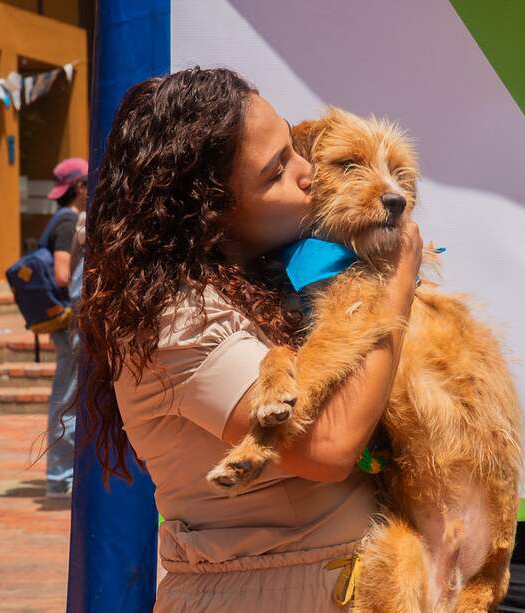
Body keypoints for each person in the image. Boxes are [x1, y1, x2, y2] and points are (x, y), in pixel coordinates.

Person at [76, 67, 423, 611]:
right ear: (210, 209)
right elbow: (327, 448)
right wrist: (398, 283)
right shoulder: (179, 321)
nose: (307, 173)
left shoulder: (271, 280)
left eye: (294, 149)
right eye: (276, 170)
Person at [44, 157, 88, 498]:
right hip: (74, 319)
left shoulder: (66, 219)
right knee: (68, 398)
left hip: (72, 320)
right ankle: (61, 476)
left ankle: (63, 474)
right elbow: (63, 274)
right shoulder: (68, 222)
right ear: (80, 187)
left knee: (69, 396)